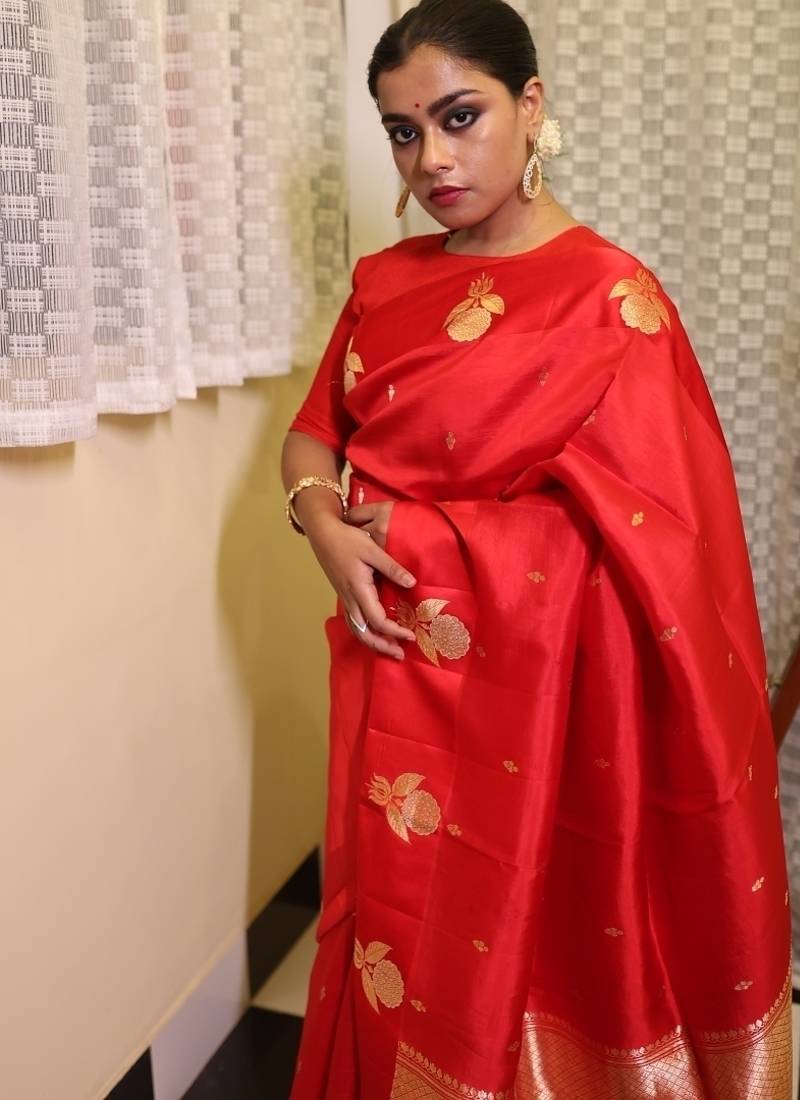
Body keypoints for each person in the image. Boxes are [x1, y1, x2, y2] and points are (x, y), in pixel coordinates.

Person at [279, 1, 793, 1095]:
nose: (431, 157)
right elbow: (315, 430)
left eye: (459, 116)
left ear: (531, 106)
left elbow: (661, 546)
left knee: (525, 935)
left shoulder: (612, 303)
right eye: (404, 131)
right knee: (397, 927)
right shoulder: (385, 283)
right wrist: (319, 518)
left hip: (547, 709)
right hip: (394, 675)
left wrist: (427, 534)